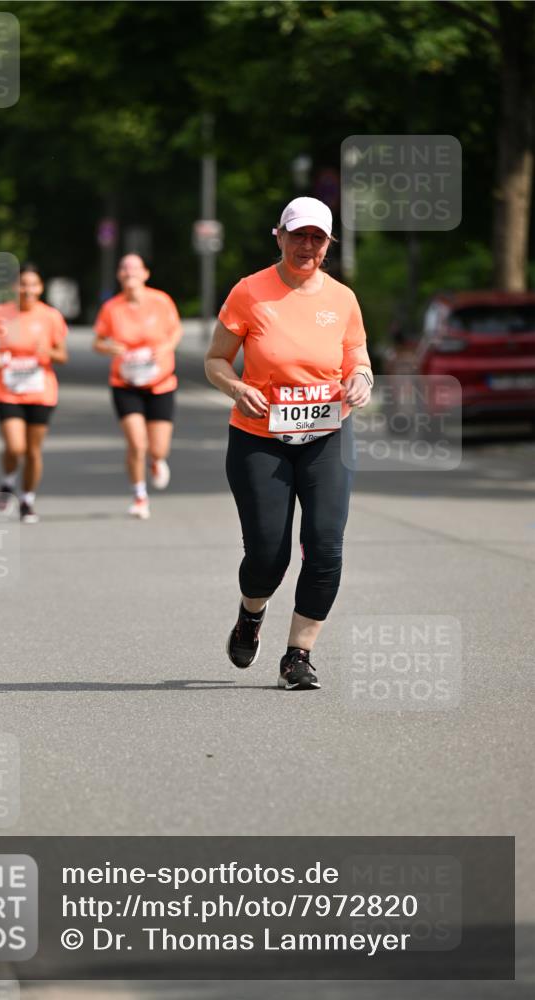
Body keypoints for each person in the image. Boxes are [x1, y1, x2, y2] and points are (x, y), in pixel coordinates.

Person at [204, 197, 373, 690]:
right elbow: (216, 360)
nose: (307, 245)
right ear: (278, 235)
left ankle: (297, 655)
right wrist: (237, 387)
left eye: (317, 238)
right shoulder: (249, 292)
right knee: (267, 555)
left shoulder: (342, 298)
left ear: (328, 244)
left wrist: (362, 379)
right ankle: (251, 615)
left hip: (328, 436)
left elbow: (357, 356)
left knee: (325, 547)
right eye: (298, 235)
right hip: (260, 438)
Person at [93, 254, 183, 520]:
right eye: (123, 268)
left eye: (134, 267)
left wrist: (166, 347)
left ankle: (156, 461)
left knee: (157, 448)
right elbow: (97, 342)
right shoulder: (112, 308)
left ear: (145, 273)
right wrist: (109, 347)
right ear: (119, 275)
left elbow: (175, 330)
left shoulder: (161, 301)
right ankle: (139, 495)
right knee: (136, 443)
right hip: (125, 383)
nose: (128, 271)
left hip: (161, 382)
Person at [0, 264, 68, 524]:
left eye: (33, 285)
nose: (28, 289)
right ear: (15, 287)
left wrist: (48, 352)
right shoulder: (1, 313)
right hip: (8, 390)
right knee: (15, 446)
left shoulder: (51, 316)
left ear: (40, 288)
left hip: (41, 391)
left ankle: (27, 500)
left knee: (33, 451)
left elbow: (62, 355)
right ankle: (8, 480)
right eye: (23, 284)